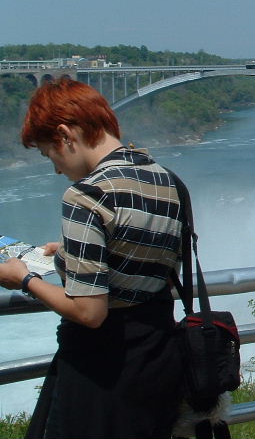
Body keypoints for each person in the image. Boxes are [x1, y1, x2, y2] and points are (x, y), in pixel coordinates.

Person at [0, 78, 184, 438]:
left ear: (65, 134)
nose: (55, 168)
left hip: (101, 375)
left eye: (48, 154)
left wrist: (23, 279)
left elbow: (89, 312)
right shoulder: (165, 180)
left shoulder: (86, 195)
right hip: (158, 363)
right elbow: (143, 259)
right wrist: (69, 251)